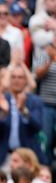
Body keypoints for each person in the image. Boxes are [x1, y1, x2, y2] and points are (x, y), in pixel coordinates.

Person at [0, 65, 47, 167]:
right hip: (4, 156)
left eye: (20, 77)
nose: (17, 80)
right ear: (9, 80)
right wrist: (3, 114)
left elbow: (38, 127)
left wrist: (23, 111)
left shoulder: (35, 101)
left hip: (28, 156)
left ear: (25, 80)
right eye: (13, 77)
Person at [33, 36, 56, 164]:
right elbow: (38, 74)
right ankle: (45, 167)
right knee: (46, 138)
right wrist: (50, 60)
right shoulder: (44, 53)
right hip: (46, 104)